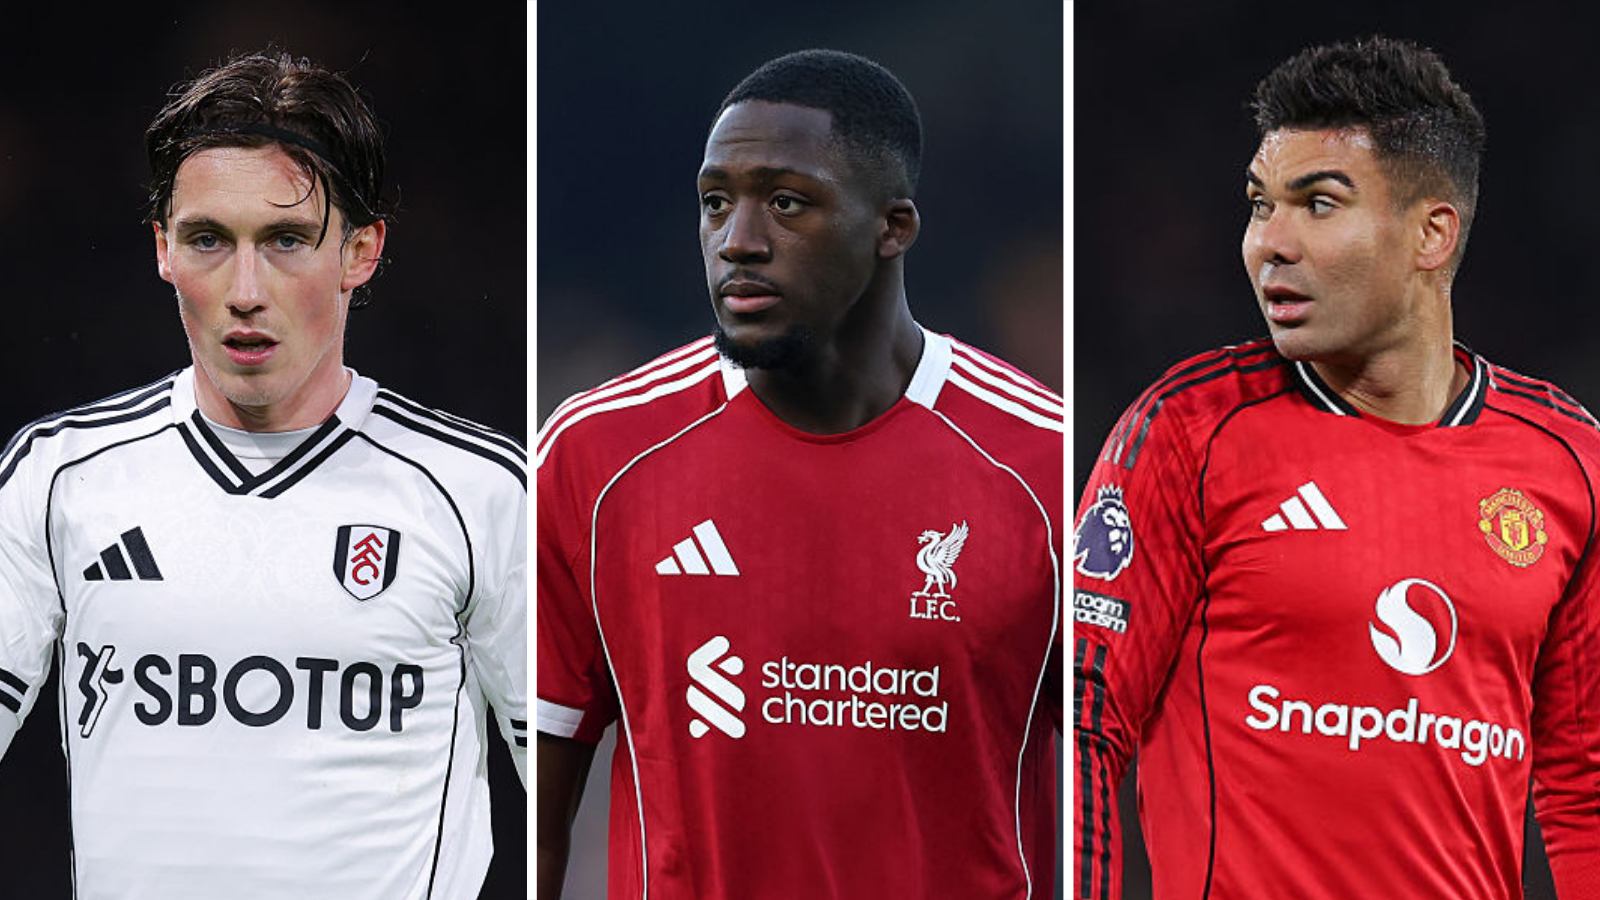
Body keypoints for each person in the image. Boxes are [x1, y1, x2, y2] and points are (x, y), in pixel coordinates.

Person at [1073, 36, 1600, 900]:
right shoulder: (1191, 431)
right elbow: (1085, 723)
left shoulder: (1566, 460)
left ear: (1432, 233)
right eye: (1259, 204)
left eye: (1318, 204)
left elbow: (1586, 783)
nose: (1267, 244)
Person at [536, 49, 1063, 899]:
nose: (737, 241)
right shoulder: (599, 454)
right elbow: (535, 818)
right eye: (716, 203)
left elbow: (1121, 783)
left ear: (894, 226)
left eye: (787, 203)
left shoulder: (1044, 464)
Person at [0, 51, 526, 899]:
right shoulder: (61, 480)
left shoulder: (480, 495)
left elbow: (590, 785)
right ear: (164, 251)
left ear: (361, 251)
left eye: (286, 241)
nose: (246, 290)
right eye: (210, 240)